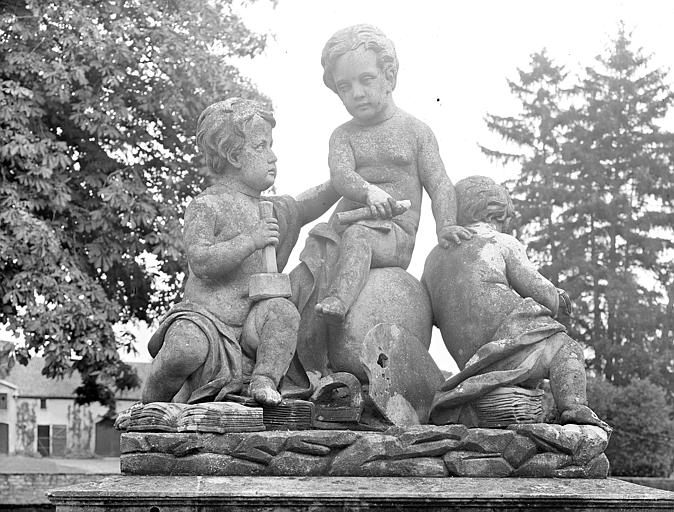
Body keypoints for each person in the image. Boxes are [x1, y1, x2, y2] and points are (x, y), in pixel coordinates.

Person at [142, 98, 338, 406]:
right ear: (234, 155)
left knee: (284, 312)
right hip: (205, 319)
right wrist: (250, 240)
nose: (273, 156)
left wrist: (341, 181)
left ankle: (264, 380)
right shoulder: (208, 205)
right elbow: (202, 261)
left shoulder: (274, 209)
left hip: (251, 323)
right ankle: (150, 404)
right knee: (184, 349)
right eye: (261, 147)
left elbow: (305, 205)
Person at [423, 176, 610, 431]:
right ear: (499, 213)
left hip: (469, 360)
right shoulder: (499, 242)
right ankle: (574, 409)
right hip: (509, 340)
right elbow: (538, 288)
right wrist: (557, 295)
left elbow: (429, 313)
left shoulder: (433, 258)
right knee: (566, 349)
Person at [313, 24, 472, 323]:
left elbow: (439, 184)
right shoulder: (342, 136)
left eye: (366, 80)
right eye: (345, 87)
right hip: (345, 226)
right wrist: (368, 192)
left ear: (389, 76)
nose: (356, 93)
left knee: (359, 237)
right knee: (311, 259)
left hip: (393, 235)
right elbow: (341, 174)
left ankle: (340, 300)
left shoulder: (415, 131)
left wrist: (446, 225)